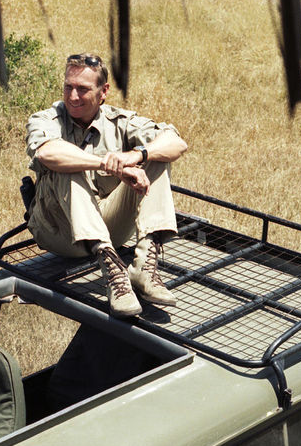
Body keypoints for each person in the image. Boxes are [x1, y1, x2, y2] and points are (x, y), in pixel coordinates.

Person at [25, 54, 188, 317]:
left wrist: (137, 156)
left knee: (155, 157)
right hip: (57, 229)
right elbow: (47, 154)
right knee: (67, 162)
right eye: (69, 87)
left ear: (104, 92)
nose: (73, 97)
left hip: (106, 224)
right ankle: (112, 272)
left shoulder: (118, 120)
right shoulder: (47, 119)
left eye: (83, 89)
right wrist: (105, 164)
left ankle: (144, 267)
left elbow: (176, 143)